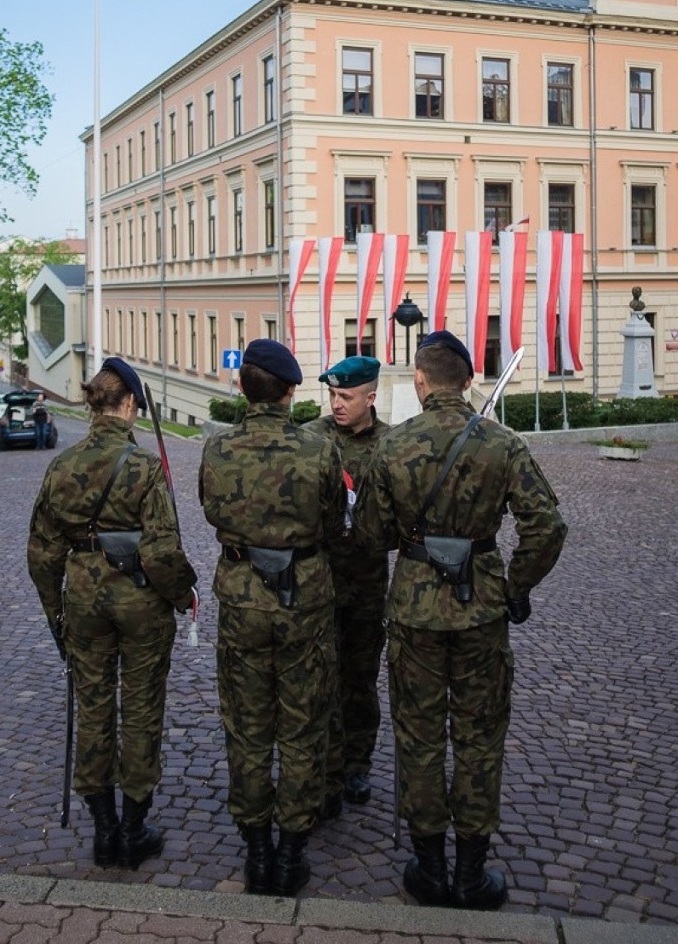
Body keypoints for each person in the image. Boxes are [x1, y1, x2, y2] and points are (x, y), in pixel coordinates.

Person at [359, 330, 567, 911]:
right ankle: (472, 875)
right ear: (468, 380)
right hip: (480, 609)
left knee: (419, 737)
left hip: (415, 613)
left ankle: (429, 870)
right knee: (478, 739)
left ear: (420, 381)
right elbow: (546, 527)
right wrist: (515, 586)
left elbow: (371, 537)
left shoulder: (394, 447)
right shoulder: (502, 444)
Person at [27, 357, 197, 870]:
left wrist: (56, 613)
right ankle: (133, 828)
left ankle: (103, 833)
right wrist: (182, 594)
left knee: (93, 707)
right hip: (141, 604)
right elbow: (164, 551)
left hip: (83, 600)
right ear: (126, 405)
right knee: (141, 709)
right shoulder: (143, 466)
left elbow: (41, 553)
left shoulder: (63, 465)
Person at [198, 339, 345, 896]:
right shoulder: (317, 451)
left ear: (242, 386)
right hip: (303, 598)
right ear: (290, 392)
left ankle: (256, 849)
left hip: (240, 598)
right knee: (304, 727)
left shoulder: (217, 449)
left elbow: (212, 509)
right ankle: (290, 852)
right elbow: (335, 521)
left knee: (248, 726)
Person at [304, 354, 389, 819]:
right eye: (332, 395)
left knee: (360, 678)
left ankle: (357, 761)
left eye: (346, 397)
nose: (336, 404)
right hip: (320, 581)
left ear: (370, 398)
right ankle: (324, 764)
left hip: (366, 583)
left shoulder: (392, 445)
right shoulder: (312, 440)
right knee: (320, 678)